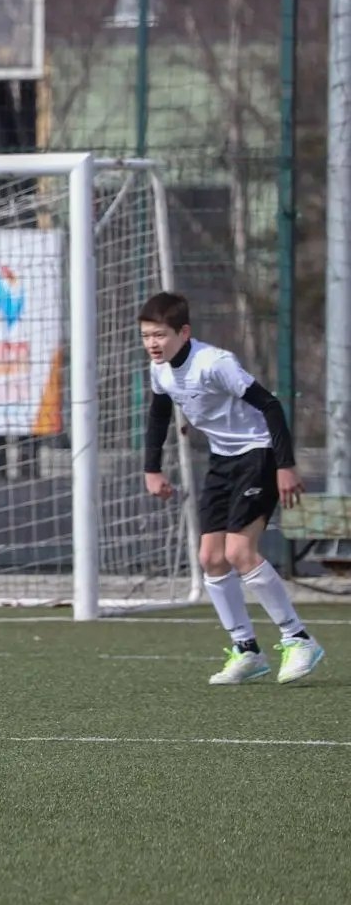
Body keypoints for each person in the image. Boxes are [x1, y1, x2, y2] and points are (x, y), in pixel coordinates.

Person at [139, 291, 323, 685]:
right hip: (222, 461)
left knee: (239, 551)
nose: (152, 343)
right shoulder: (160, 370)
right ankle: (247, 650)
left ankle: (299, 639)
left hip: (259, 455)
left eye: (160, 335)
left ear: (184, 333)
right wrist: (152, 470)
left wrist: (285, 465)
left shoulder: (215, 362)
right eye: (146, 336)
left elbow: (270, 405)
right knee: (211, 558)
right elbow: (158, 416)